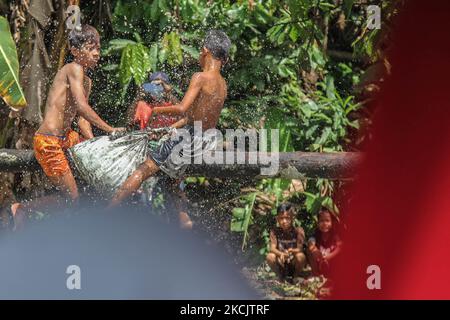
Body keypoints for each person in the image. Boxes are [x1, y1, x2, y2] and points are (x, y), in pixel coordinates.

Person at [11, 25, 124, 226]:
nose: (97, 53)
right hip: (49, 141)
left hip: (67, 138)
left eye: (98, 47)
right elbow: (81, 107)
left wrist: (94, 142)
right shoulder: (73, 68)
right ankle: (22, 208)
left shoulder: (86, 81)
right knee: (72, 200)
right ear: (74, 51)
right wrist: (110, 129)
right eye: (91, 48)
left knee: (89, 184)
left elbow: (81, 118)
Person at [109, 30, 231, 213]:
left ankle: (108, 210)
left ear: (205, 50)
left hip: (191, 139)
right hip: (208, 140)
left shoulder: (200, 77)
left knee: (143, 170)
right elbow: (191, 116)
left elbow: (181, 109)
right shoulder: (223, 84)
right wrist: (169, 128)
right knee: (169, 178)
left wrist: (153, 110)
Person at [128, 72, 192, 229]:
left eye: (161, 84)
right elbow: (130, 122)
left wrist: (169, 94)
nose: (158, 89)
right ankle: (147, 224)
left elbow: (186, 117)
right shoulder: (144, 105)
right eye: (154, 85)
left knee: (175, 189)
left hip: (169, 152)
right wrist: (139, 96)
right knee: (145, 194)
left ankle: (181, 223)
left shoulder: (172, 105)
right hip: (150, 152)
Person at [266, 203, 306, 282]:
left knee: (301, 256)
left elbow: (300, 249)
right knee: (270, 256)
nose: (284, 221)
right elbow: (272, 248)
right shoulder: (274, 231)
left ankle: (295, 276)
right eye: (281, 218)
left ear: (292, 218)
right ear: (277, 219)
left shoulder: (298, 231)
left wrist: (291, 251)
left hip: (293, 262)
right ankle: (280, 276)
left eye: (287, 218)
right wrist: (281, 254)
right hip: (281, 262)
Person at [306, 208, 342, 278]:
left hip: (332, 263)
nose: (324, 224)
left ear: (332, 222)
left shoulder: (335, 235)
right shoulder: (316, 234)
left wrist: (330, 256)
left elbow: (340, 247)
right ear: (317, 223)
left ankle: (335, 275)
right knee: (308, 250)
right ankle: (316, 274)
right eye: (321, 221)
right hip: (319, 262)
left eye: (327, 221)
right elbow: (310, 242)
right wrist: (315, 250)